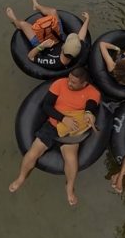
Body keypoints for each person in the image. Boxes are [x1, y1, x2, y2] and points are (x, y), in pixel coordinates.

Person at [9, 67, 102, 206]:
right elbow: (47, 106)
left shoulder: (92, 92)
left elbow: (91, 106)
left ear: (84, 84)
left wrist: (88, 114)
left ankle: (70, 187)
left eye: (73, 82)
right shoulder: (59, 84)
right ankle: (21, 178)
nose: (69, 83)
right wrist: (63, 118)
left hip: (72, 129)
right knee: (34, 151)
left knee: (71, 158)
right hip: (53, 124)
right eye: (69, 79)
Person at [6, 0, 88, 67]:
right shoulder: (77, 49)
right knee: (53, 11)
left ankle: (14, 20)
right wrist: (87, 19)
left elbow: (30, 56)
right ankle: (37, 6)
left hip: (43, 44)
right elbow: (81, 36)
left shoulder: (54, 61)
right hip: (59, 38)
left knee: (23, 24)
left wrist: (42, 46)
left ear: (63, 47)